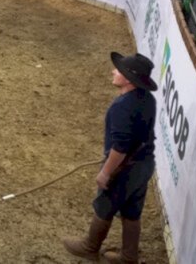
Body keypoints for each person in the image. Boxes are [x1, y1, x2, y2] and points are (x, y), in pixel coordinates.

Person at [62, 51, 157, 264]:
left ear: (129, 79)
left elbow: (120, 147)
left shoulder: (122, 106)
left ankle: (90, 247)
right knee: (132, 211)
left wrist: (106, 172)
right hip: (144, 164)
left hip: (124, 168)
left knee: (105, 204)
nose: (113, 71)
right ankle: (129, 257)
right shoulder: (147, 99)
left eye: (119, 70)